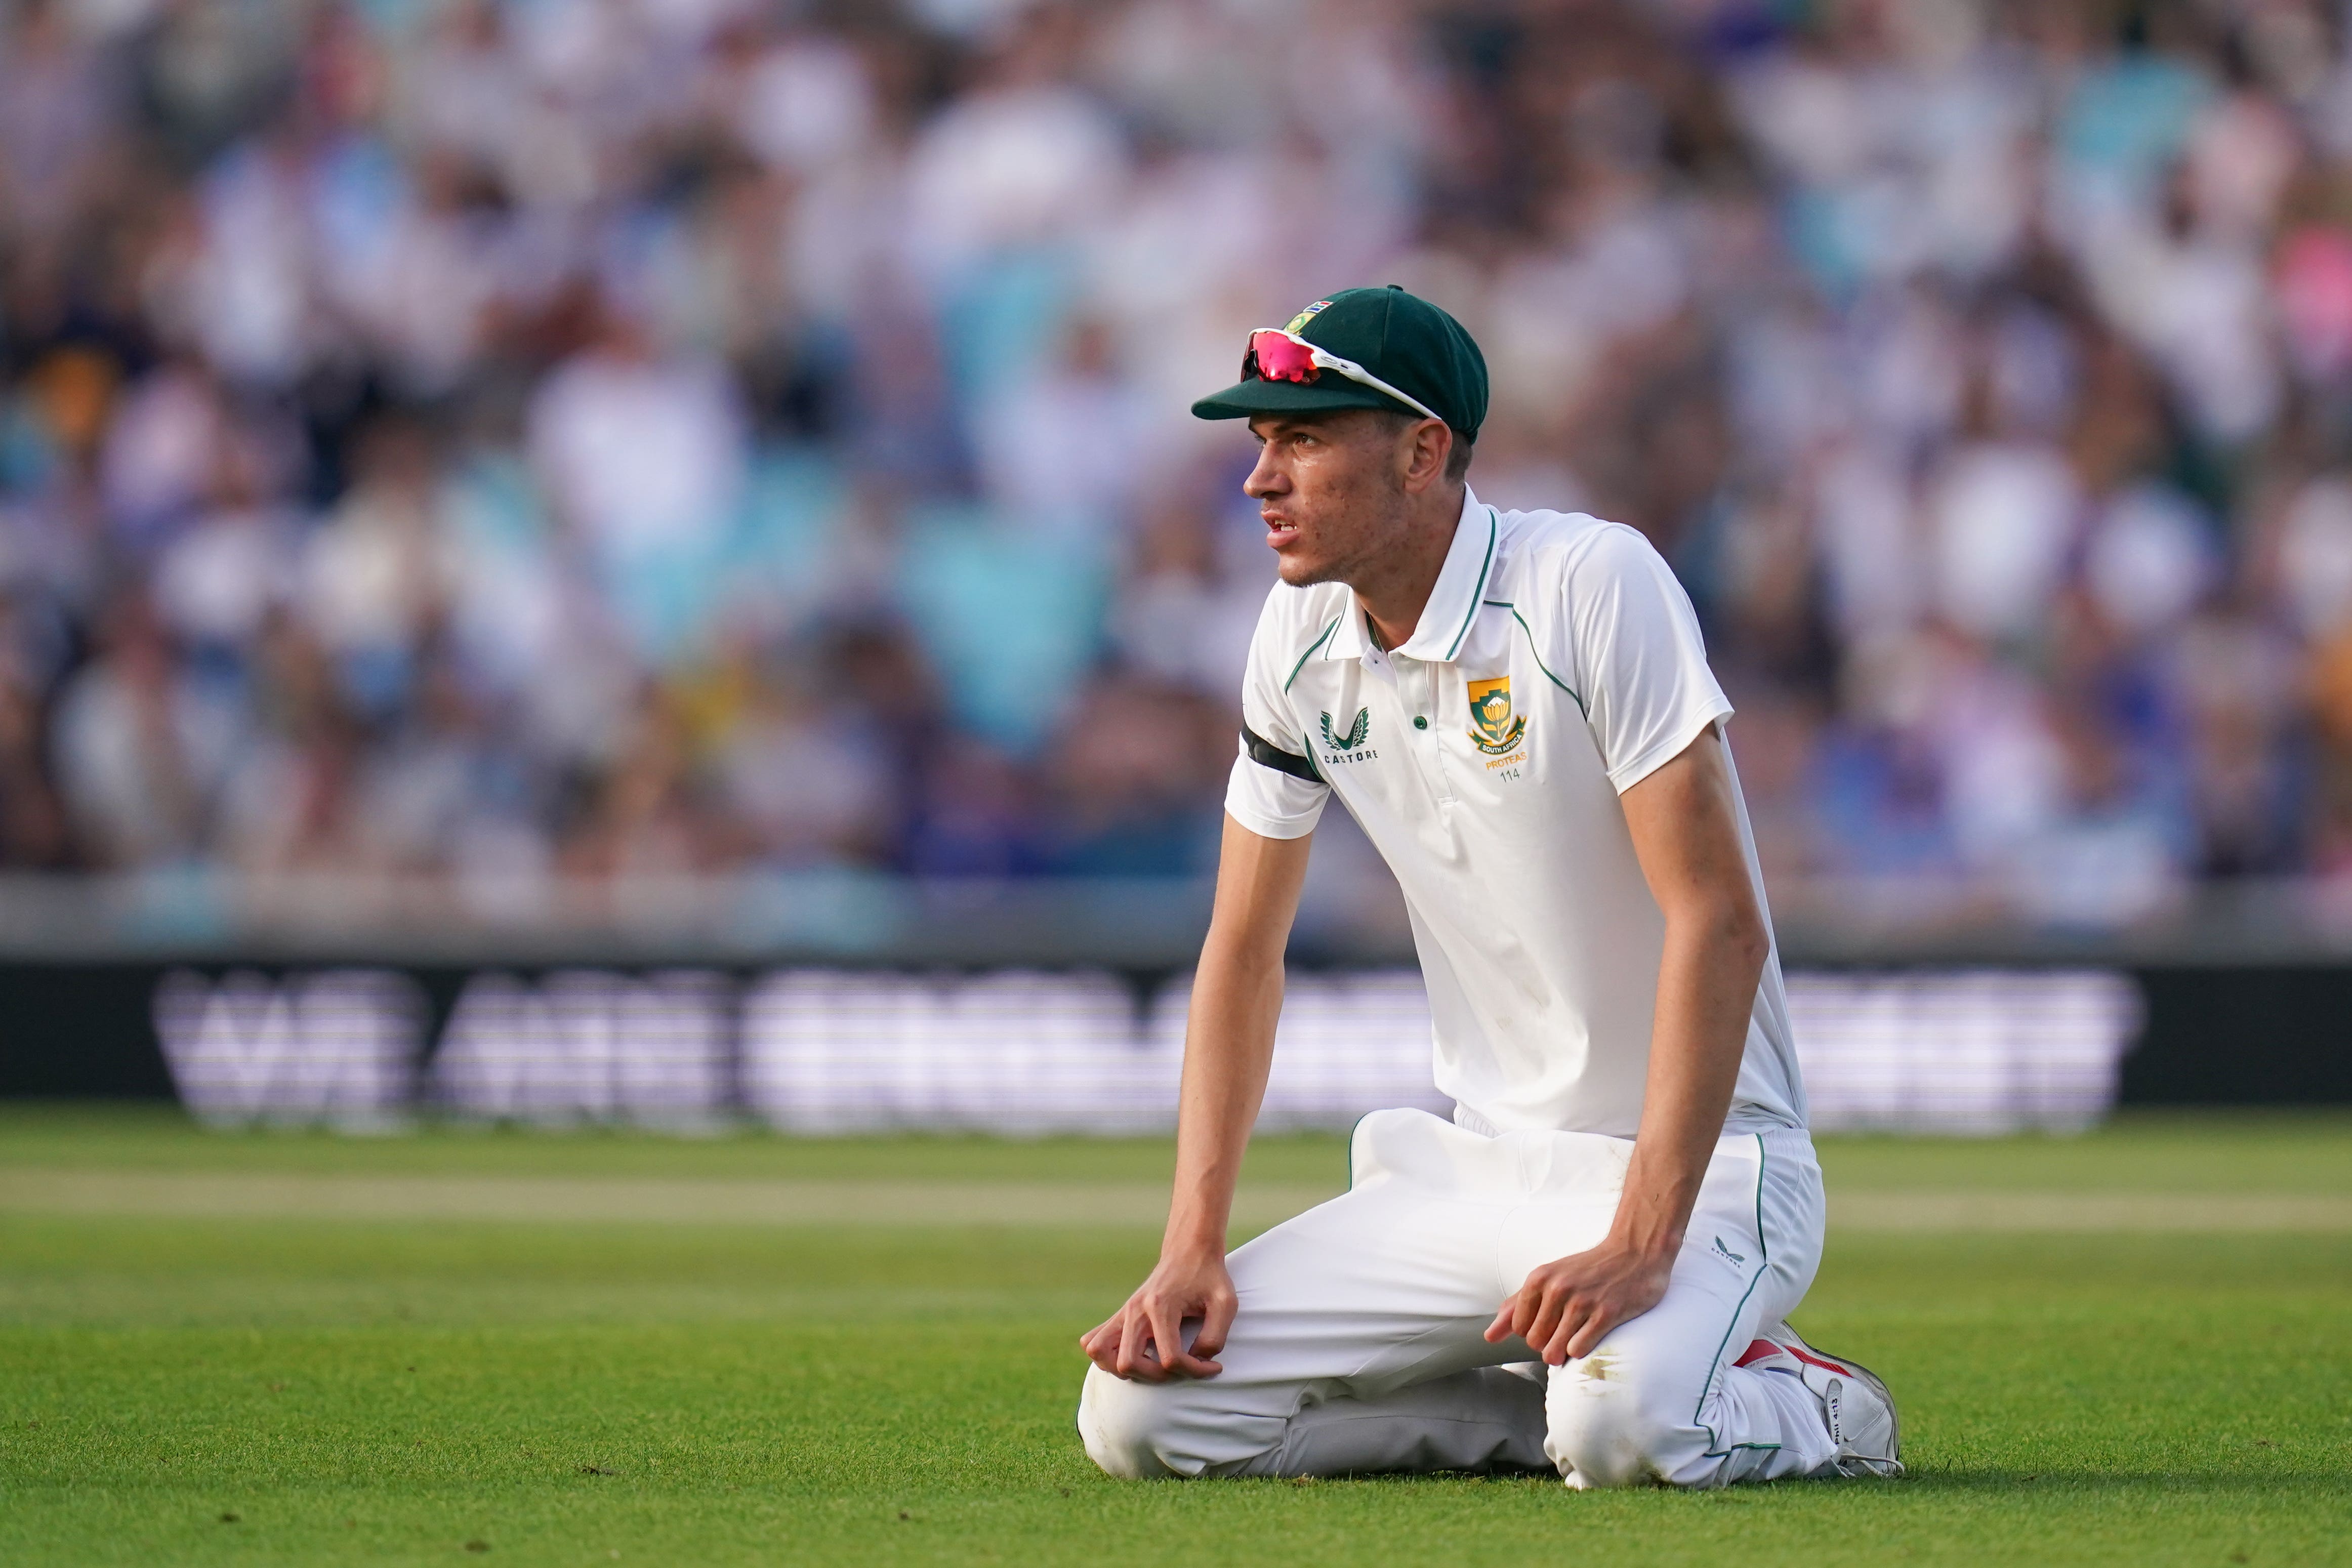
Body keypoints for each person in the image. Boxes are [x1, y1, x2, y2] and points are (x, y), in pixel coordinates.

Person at [1075, 286, 1901, 1488]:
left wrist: (1638, 1237)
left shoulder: (1589, 583)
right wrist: (1189, 1246)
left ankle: (1810, 1406)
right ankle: (1551, 1412)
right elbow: (1241, 954)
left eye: (1300, 440)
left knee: (1624, 1432)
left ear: (1420, 453)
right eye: (1259, 443)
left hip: (1707, 1170)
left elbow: (1716, 920)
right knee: (1142, 1420)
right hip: (1472, 1169)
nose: (1260, 480)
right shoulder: (1291, 640)